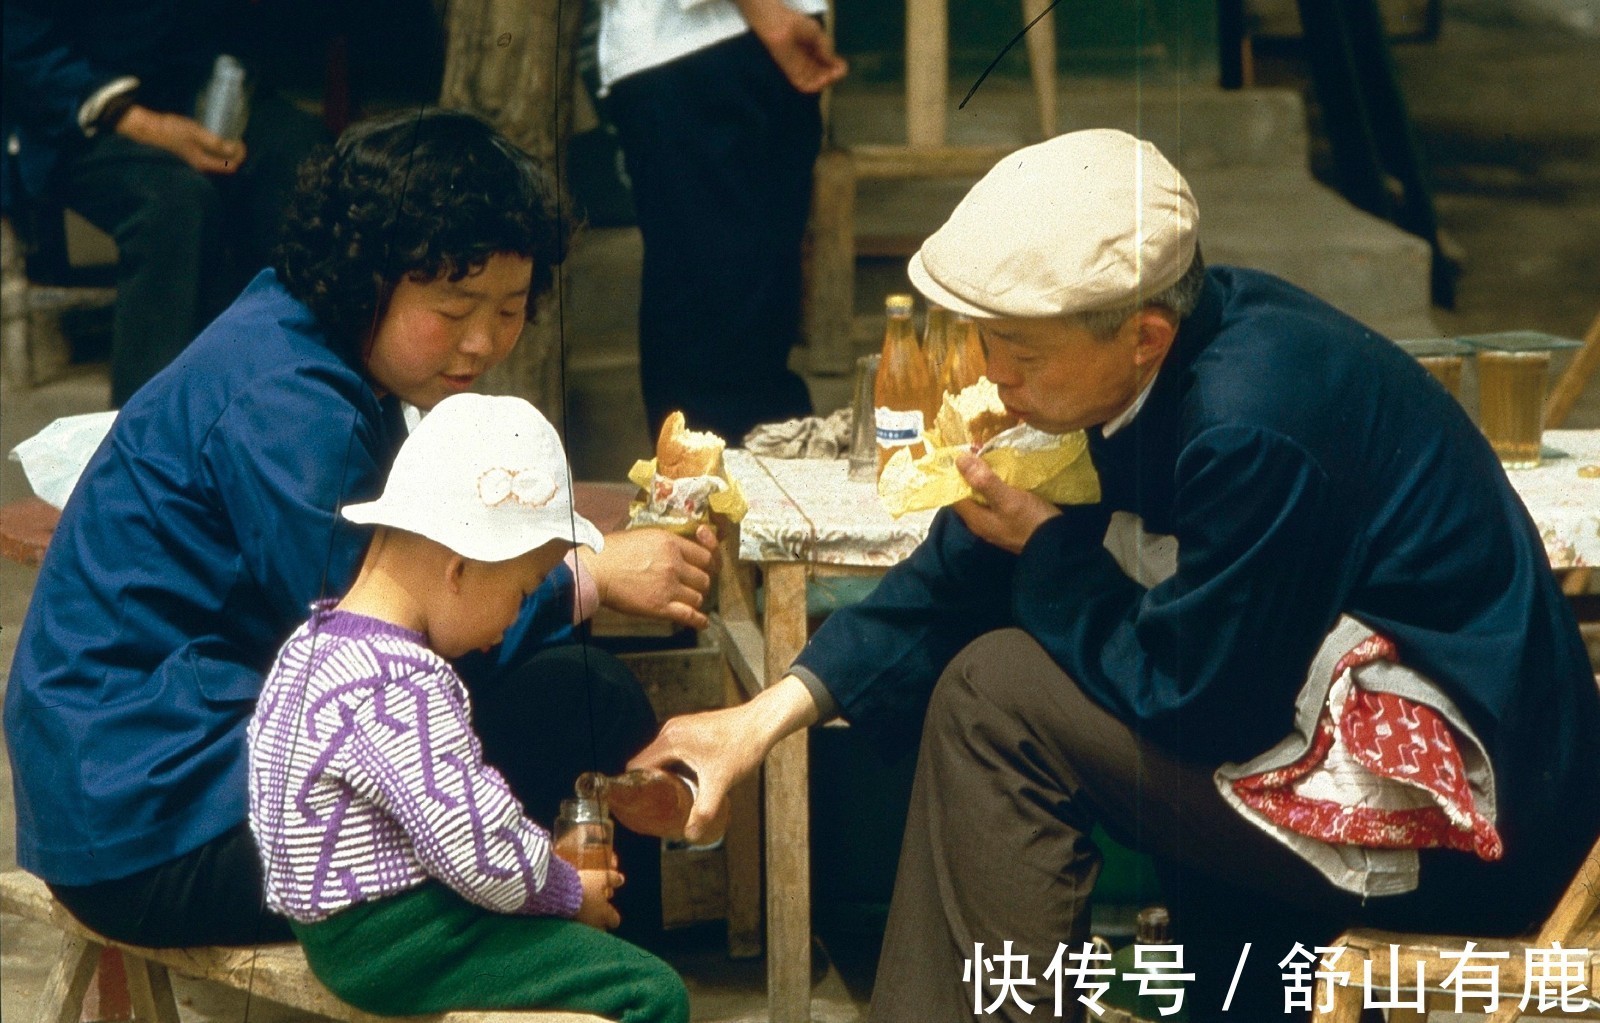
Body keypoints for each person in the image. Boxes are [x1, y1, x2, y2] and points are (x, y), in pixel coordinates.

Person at [631, 129, 1600, 1020]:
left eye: (1020, 358)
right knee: (1017, 641)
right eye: (985, 348)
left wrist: (1050, 550)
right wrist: (756, 726)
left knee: (997, 695)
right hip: (1317, 730)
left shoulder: (1251, 416)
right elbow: (965, 563)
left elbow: (1194, 696)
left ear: (1141, 335)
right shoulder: (1139, 368)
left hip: (1465, 820)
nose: (994, 381)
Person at [4, 108, 718, 948]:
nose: (484, 341)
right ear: (364, 275)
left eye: (510, 308)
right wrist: (585, 574)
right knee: (578, 703)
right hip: (158, 823)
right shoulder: (293, 406)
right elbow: (388, 630)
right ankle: (611, 979)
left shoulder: (294, 333)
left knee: (562, 691)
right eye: (453, 310)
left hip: (137, 784)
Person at [248, 392, 687, 1023]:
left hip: (338, 930)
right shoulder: (400, 682)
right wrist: (568, 893)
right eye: (521, 591)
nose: (514, 619)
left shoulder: (312, 646)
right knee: (649, 992)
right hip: (397, 940)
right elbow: (473, 843)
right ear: (459, 568)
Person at [2, 0, 327, 405]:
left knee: (302, 161)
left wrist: (225, 105)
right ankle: (145, 437)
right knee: (175, 203)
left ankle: (288, 397)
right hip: (73, 113)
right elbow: (22, 48)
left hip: (199, 92)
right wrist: (148, 126)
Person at [598, 0, 848, 443]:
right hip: (704, 43)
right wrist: (767, 13)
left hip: (743, 39)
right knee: (717, 345)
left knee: (753, 329)